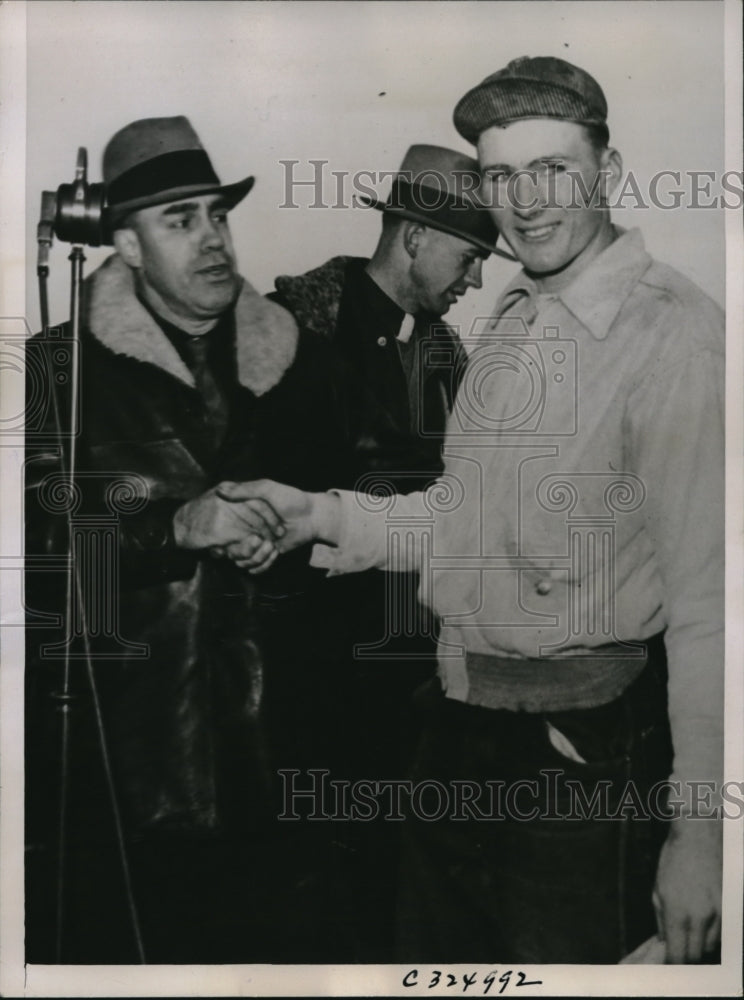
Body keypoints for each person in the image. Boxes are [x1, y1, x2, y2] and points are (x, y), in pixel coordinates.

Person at [219, 57, 724, 964]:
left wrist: (703, 834)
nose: (523, 202)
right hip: (455, 733)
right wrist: (317, 516)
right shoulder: (513, 323)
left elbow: (710, 611)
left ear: (605, 175)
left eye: (550, 172)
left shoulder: (676, 337)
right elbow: (460, 520)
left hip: (582, 754)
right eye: (499, 177)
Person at [24, 116, 350, 963]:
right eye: (180, 220)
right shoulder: (58, 374)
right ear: (125, 247)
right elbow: (34, 552)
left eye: (218, 215)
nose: (213, 241)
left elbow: (372, 501)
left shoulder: (304, 365)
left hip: (293, 759)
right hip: (132, 773)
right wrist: (175, 526)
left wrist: (288, 535)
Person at [266, 144, 511, 959]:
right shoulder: (286, 332)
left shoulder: (454, 364)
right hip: (306, 678)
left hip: (417, 681)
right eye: (469, 256)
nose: (474, 281)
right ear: (412, 235)